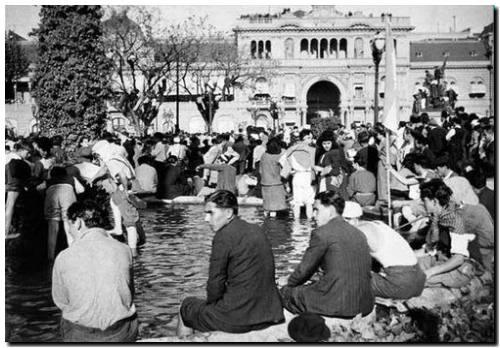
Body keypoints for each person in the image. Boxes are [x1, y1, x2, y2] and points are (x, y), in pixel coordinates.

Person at [177, 190, 284, 335]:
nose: (206, 219)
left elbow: (215, 284)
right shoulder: (256, 229)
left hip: (239, 318)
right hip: (270, 313)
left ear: (228, 213)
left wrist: (212, 307)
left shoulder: (223, 236)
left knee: (186, 307)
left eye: (210, 213)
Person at [52, 200, 138, 342]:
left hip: (81, 336)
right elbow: (129, 294)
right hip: (121, 333)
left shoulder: (63, 257)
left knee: (66, 317)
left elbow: (61, 301)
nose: (70, 231)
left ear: (78, 223)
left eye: (70, 225)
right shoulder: (124, 249)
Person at [279, 191, 374, 317]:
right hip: (364, 303)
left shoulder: (322, 233)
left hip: (336, 304)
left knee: (285, 292)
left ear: (330, 210)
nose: (313, 215)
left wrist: (287, 282)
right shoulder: (359, 233)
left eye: (317, 210)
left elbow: (305, 270)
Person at [342, 201, 426, 299]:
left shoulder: (361, 232)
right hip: (417, 277)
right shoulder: (375, 224)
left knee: (345, 278)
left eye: (345, 220)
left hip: (402, 283)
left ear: (355, 219)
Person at [416, 179, 482, 288]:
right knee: (407, 269)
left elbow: (458, 258)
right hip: (441, 257)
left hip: (459, 267)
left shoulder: (454, 220)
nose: (423, 204)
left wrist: (431, 272)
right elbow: (431, 246)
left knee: (417, 281)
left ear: (434, 201)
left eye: (425, 200)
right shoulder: (438, 216)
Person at [281, 129, 316, 219]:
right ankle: (309, 224)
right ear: (304, 138)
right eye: (309, 138)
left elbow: (282, 161)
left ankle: (296, 225)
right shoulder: (313, 150)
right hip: (309, 176)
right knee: (309, 203)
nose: (311, 140)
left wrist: (291, 171)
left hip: (297, 176)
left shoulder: (291, 150)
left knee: (297, 203)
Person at [44, 166, 78, 261]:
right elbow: (81, 189)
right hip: (67, 196)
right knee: (68, 225)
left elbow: (38, 188)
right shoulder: (71, 178)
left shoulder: (49, 181)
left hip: (52, 196)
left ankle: (50, 257)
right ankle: (72, 253)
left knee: (52, 228)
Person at [259, 137, 287, 216]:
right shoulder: (279, 157)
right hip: (276, 184)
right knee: (274, 210)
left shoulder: (264, 156)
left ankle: (267, 224)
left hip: (265, 183)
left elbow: (260, 171)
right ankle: (273, 225)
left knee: (267, 207)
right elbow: (284, 170)